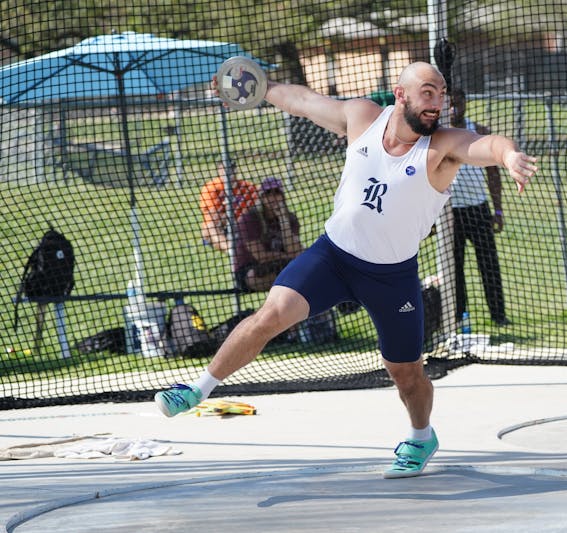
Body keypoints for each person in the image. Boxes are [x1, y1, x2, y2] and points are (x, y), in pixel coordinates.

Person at [154, 62, 539, 478]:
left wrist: (510, 155)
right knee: (271, 315)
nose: (437, 102)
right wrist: (259, 87)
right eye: (428, 92)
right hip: (333, 257)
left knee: (406, 374)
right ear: (401, 94)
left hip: (391, 277)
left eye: (441, 94)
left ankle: (421, 436)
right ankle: (196, 390)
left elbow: (489, 144)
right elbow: (302, 102)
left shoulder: (442, 146)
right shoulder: (362, 118)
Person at [448, 88, 509, 326]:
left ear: (465, 103)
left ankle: (498, 314)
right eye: (449, 105)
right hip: (450, 212)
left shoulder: (479, 132)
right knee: (454, 266)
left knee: (489, 263)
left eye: (458, 103)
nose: (454, 109)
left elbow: (494, 174)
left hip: (478, 209)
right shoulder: (438, 134)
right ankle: (457, 315)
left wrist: (498, 210)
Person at [234, 177, 303, 292]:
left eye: (277, 193)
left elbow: (293, 249)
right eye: (268, 193)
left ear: (282, 196)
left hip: (282, 265)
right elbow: (260, 256)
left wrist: (283, 221)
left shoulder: (290, 219)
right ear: (261, 197)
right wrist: (289, 257)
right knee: (295, 274)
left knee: (307, 267)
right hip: (250, 271)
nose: (272, 197)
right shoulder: (250, 219)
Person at [199, 160, 259, 253]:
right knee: (209, 226)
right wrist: (232, 217)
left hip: (243, 225)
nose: (228, 172)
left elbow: (258, 205)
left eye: (231, 169)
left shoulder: (247, 187)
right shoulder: (211, 188)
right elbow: (213, 216)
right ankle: (231, 250)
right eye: (224, 169)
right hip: (222, 227)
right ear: (219, 171)